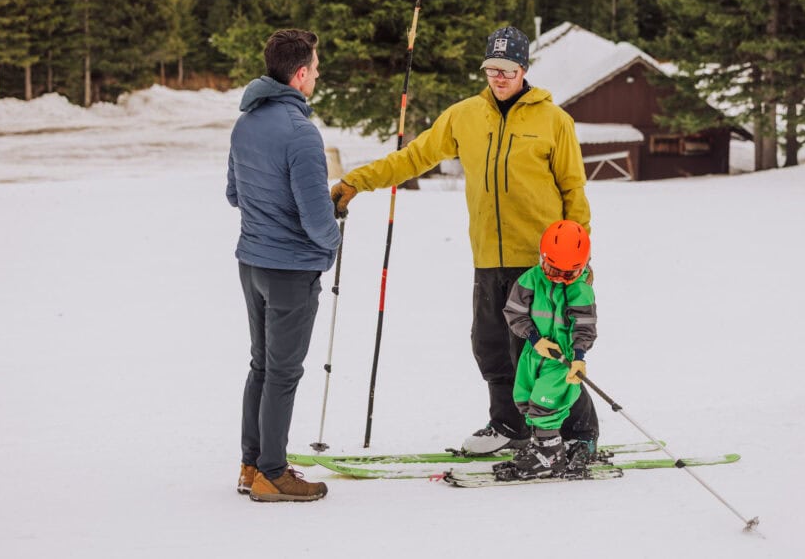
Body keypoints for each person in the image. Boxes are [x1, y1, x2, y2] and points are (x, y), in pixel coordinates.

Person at [330, 25, 600, 454]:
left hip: (542, 262)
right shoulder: (464, 116)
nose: (498, 77)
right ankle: (511, 426)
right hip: (488, 256)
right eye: (491, 68)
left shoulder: (554, 121)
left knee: (547, 351)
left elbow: (574, 191)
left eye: (507, 69)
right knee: (490, 345)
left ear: (524, 69)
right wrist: (357, 182)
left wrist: (578, 257)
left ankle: (579, 434)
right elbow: (414, 157)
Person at [227, 29, 341, 502]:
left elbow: (235, 193)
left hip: (252, 262)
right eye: (314, 67)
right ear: (299, 74)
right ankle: (272, 473)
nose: (317, 73)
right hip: (290, 270)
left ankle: (251, 464)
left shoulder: (246, 123)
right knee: (283, 372)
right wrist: (333, 238)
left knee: (262, 365)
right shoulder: (301, 134)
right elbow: (317, 220)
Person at [503, 219, 596, 478]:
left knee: (546, 403)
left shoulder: (581, 291)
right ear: (542, 258)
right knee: (524, 398)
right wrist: (533, 338)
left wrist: (578, 358)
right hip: (535, 353)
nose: (559, 279)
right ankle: (540, 445)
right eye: (552, 270)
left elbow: (585, 327)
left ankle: (550, 455)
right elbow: (514, 312)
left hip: (561, 359)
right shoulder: (531, 279)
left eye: (569, 274)